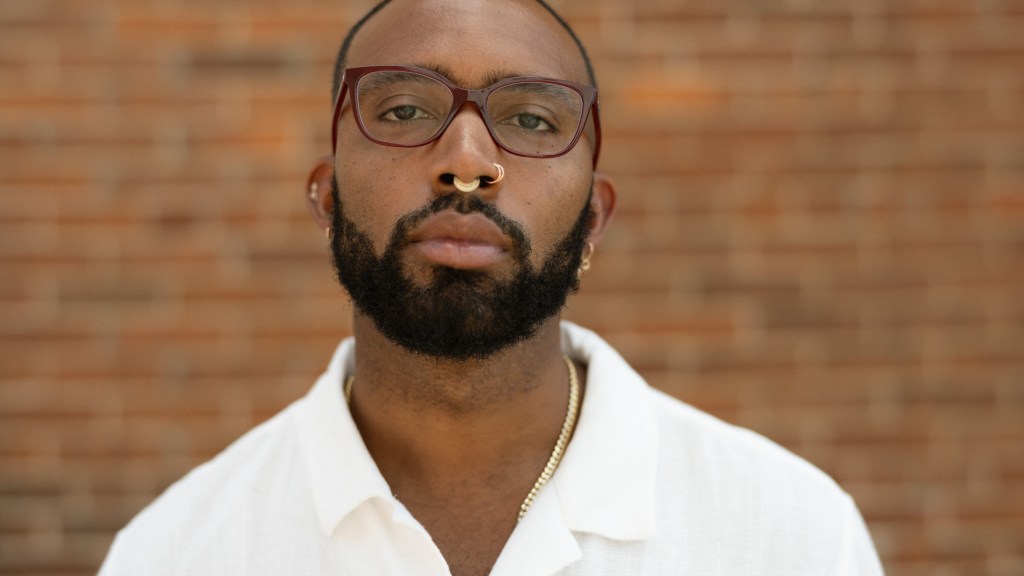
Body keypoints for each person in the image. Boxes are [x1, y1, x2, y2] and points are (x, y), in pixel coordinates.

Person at [99, 0, 885, 574]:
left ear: (594, 218)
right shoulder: (174, 552)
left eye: (533, 120)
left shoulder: (791, 535)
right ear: (328, 196)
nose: (466, 159)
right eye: (404, 110)